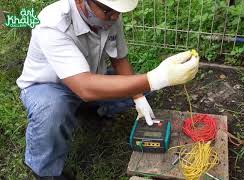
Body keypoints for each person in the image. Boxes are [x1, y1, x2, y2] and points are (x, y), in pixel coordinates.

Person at [16, 0, 199, 179]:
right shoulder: (53, 23)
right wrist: (156, 78)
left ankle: (89, 110)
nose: (114, 17)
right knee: (53, 110)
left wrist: (138, 97)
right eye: (108, 12)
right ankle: (44, 169)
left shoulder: (110, 15)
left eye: (117, 12)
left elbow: (119, 59)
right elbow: (84, 87)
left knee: (141, 88)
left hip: (89, 80)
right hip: (49, 88)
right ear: (82, 2)